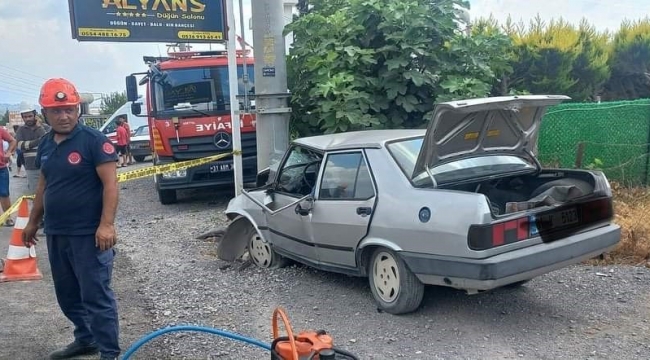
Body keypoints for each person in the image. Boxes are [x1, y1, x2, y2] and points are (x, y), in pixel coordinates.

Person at [22, 78, 121, 360]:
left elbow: (111, 185)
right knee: (67, 294)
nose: (64, 116)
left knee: (95, 295)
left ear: (78, 110)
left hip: (89, 235)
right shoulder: (45, 144)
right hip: (57, 232)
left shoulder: (94, 142)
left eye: (69, 109)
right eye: (56, 110)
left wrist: (107, 225)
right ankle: (86, 338)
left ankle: (110, 352)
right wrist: (32, 222)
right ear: (45, 113)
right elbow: (44, 185)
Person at [15, 109, 48, 194]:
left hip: (47, 166)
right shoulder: (21, 130)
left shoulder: (45, 127)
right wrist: (39, 140)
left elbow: (48, 142)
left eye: (30, 116)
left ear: (35, 116)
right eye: (25, 117)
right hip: (31, 167)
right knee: (35, 194)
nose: (28, 119)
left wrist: (39, 127)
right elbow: (20, 146)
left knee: (50, 193)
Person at [0, 127, 17, 227]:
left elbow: (13, 140)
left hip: (1, 168)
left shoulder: (1, 130)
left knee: (4, 193)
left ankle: (8, 217)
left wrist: (9, 152)